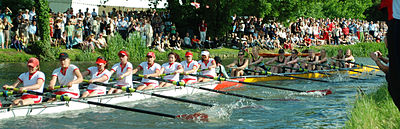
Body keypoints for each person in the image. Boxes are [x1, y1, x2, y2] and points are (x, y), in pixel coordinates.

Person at [380, 0, 400, 111]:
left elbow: (388, 69)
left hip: (396, 20)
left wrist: (376, 60)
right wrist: (382, 58)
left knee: (395, 84)